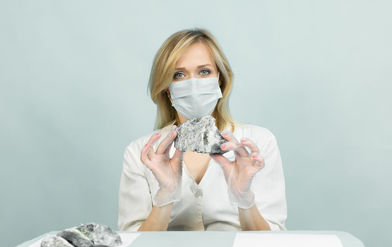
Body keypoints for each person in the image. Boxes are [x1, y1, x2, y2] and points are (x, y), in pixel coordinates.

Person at [118, 28, 287, 231]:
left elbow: (271, 244)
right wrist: (165, 197)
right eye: (179, 75)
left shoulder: (258, 142)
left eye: (204, 72)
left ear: (220, 80)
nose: (193, 85)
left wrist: (245, 200)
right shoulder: (140, 153)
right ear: (167, 90)